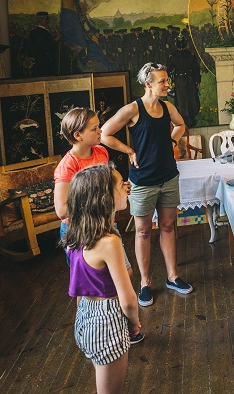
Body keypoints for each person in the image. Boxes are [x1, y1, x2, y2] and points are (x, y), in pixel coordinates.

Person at [100, 63, 194, 307]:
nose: (167, 85)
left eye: (167, 80)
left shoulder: (168, 107)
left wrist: (170, 141)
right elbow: (105, 134)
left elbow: (181, 125)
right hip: (142, 181)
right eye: (162, 81)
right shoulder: (133, 109)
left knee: (168, 226)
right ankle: (145, 283)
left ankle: (172, 277)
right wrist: (128, 150)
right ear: (148, 83)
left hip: (168, 177)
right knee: (142, 231)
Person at [61, 165, 143, 394]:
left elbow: (79, 290)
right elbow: (127, 299)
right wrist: (134, 324)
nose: (126, 187)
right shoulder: (109, 242)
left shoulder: (75, 237)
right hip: (108, 321)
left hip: (86, 316)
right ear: (104, 199)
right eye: (120, 185)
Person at [54, 108, 124, 241]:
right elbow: (62, 211)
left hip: (106, 225)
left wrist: (119, 188)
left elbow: (104, 185)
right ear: (77, 135)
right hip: (80, 231)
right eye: (94, 128)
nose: (100, 131)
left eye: (99, 126)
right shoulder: (67, 166)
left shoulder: (101, 151)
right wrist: (101, 201)